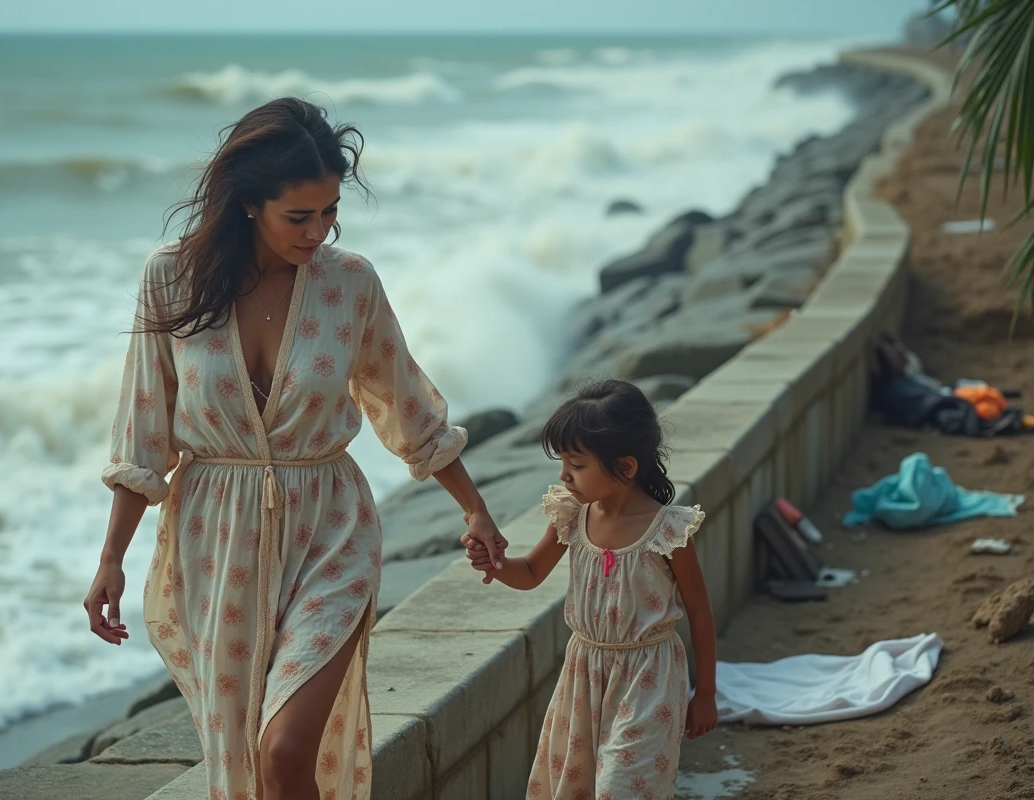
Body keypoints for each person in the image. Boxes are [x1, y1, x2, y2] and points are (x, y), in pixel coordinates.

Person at [83, 97, 507, 800]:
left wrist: (475, 511)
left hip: (331, 531)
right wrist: (110, 561)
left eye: (330, 211)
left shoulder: (350, 284)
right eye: (300, 216)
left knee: (283, 752)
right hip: (214, 541)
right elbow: (144, 434)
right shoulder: (171, 278)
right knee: (244, 755)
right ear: (250, 205)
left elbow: (407, 409)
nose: (320, 231)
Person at [462, 378, 717, 799]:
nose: (564, 475)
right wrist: (494, 562)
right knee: (575, 785)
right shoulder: (570, 515)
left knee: (624, 787)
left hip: (649, 677)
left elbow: (701, 612)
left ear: (627, 467)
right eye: (562, 461)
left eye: (577, 465)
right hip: (584, 673)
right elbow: (528, 573)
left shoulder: (668, 531)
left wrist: (704, 693)